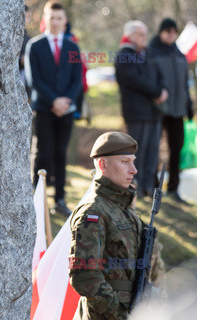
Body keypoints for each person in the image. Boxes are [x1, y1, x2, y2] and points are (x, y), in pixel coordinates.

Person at [69, 131, 142, 320]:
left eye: (133, 162)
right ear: (103, 165)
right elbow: (85, 276)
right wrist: (119, 314)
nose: (133, 170)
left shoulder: (124, 209)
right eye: (125, 162)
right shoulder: (93, 212)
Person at [25, 0, 82, 215]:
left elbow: (77, 79)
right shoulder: (35, 46)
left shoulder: (73, 47)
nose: (56, 22)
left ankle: (59, 199)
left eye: (59, 18)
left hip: (66, 110)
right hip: (43, 108)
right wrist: (53, 101)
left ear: (65, 21)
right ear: (45, 20)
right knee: (42, 152)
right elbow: (34, 79)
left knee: (61, 153)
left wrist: (65, 100)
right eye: (52, 18)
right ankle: (37, 200)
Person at [114, 21, 167, 198]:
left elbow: (157, 76)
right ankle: (134, 187)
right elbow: (135, 80)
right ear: (130, 35)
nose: (145, 37)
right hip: (136, 112)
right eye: (140, 34)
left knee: (152, 152)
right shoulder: (124, 54)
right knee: (138, 153)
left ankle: (149, 187)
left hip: (153, 111)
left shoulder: (146, 54)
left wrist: (161, 91)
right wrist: (157, 92)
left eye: (145, 33)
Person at [148, 18, 194, 204]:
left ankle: (173, 188)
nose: (171, 34)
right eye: (168, 31)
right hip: (157, 110)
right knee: (154, 149)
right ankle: (153, 188)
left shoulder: (179, 54)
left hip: (177, 110)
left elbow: (184, 84)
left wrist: (189, 105)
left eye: (174, 31)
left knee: (177, 148)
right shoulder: (151, 52)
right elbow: (149, 80)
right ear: (161, 32)